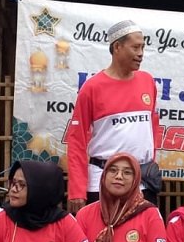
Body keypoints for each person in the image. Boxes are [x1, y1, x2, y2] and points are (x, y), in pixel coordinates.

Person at [65, 20, 160, 213]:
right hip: (103, 181)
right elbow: (76, 140)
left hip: (142, 183)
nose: (141, 53)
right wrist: (77, 189)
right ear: (117, 46)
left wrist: (151, 166)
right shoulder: (92, 87)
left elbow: (152, 128)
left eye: (142, 47)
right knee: (100, 240)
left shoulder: (148, 81)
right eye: (135, 47)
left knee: (139, 240)